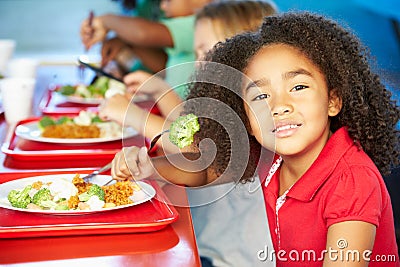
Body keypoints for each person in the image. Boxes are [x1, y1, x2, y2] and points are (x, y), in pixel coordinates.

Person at [111, 12, 400, 266]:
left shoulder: (352, 182)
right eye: (260, 96)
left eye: (298, 86)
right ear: (246, 119)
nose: (278, 106)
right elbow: (205, 169)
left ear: (333, 101)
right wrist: (150, 166)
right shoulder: (272, 157)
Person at [98, 0, 277, 155]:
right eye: (196, 53)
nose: (197, 62)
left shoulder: (247, 101)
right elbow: (189, 125)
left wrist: (133, 116)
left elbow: (196, 146)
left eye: (205, 50)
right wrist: (161, 90)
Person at [81, 0, 212, 99]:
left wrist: (106, 20)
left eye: (168, 0)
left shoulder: (200, 24)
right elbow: (162, 64)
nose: (162, 6)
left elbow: (142, 34)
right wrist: (127, 43)